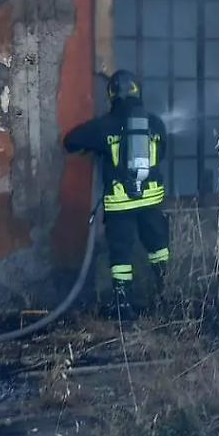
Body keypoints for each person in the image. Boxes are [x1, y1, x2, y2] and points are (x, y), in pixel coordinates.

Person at [63, 70, 169, 320]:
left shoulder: (104, 126)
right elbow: (161, 153)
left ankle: (123, 305)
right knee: (159, 248)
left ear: (112, 95)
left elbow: (70, 140)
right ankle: (166, 293)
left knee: (121, 253)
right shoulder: (155, 123)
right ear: (137, 91)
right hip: (151, 200)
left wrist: (93, 146)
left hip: (120, 203)